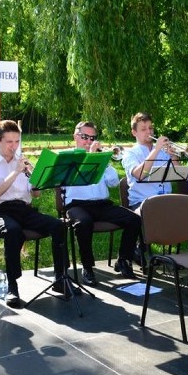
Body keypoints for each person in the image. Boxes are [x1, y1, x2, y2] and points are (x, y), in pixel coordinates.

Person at [0, 120, 72, 308]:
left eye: (17, 141)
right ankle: (12, 285)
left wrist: (35, 175)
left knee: (58, 225)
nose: (14, 146)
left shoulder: (21, 162)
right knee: (13, 232)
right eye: (9, 142)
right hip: (0, 211)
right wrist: (15, 172)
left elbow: (35, 194)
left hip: (24, 209)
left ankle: (60, 277)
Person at [61, 121, 141, 284]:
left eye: (93, 137)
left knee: (134, 219)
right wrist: (90, 156)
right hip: (76, 204)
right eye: (85, 137)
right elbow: (67, 181)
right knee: (84, 223)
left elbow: (112, 183)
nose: (89, 141)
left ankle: (123, 260)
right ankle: (88, 267)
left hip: (100, 204)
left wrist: (104, 162)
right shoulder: (67, 157)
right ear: (75, 136)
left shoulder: (100, 158)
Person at [121, 112, 174, 211]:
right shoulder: (130, 154)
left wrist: (173, 155)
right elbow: (140, 175)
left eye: (150, 128)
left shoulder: (163, 151)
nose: (148, 132)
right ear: (134, 133)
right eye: (143, 129)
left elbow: (178, 174)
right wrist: (156, 149)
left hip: (167, 200)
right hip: (143, 202)